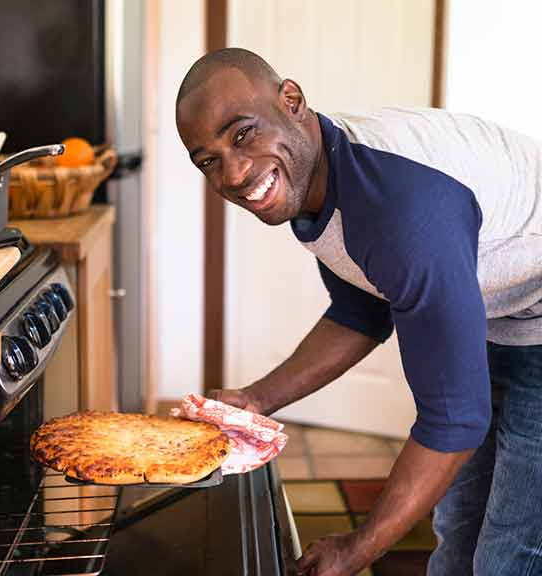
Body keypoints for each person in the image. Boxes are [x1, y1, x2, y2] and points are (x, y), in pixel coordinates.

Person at [175, 47, 542, 576]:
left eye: (242, 134)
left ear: (292, 101)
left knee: (515, 551)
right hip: (507, 306)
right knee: (460, 524)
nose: (232, 174)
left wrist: (357, 548)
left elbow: (454, 417)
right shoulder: (317, 173)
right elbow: (362, 311)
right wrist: (256, 400)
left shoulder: (399, 209)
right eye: (208, 160)